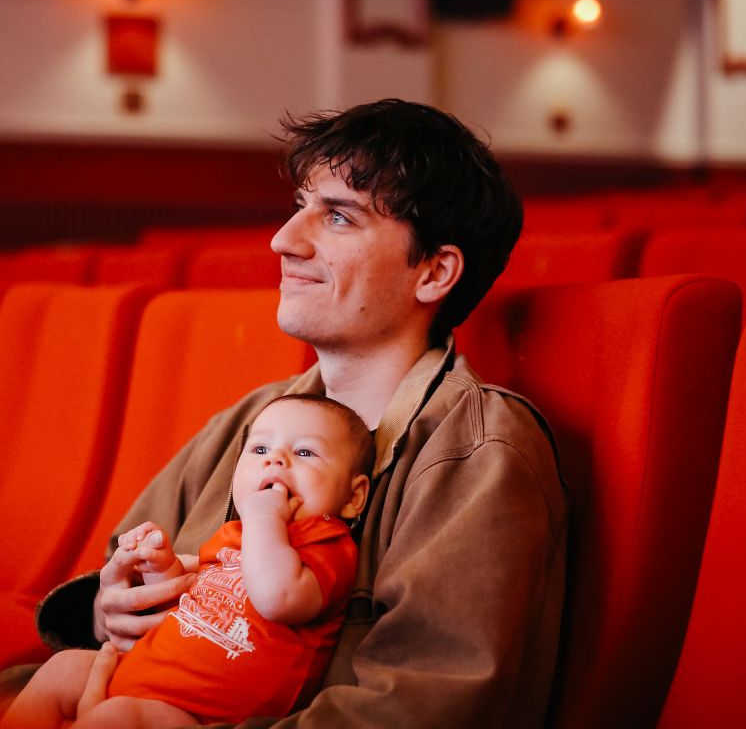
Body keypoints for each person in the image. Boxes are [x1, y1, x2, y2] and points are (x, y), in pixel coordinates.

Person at [32, 98, 569, 727]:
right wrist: (112, 608)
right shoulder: (252, 416)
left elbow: (417, 709)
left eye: (338, 217)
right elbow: (119, 574)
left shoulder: (477, 452)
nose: (283, 240)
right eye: (299, 205)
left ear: (434, 271)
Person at [1, 394, 376, 728]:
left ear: (353, 497)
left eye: (305, 453)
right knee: (62, 669)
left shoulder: (326, 545)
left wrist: (264, 518)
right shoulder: (234, 533)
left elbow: (278, 599)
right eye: (260, 449)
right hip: (142, 673)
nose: (275, 460)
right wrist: (160, 566)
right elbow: (186, 600)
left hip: (196, 712)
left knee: (112, 719)